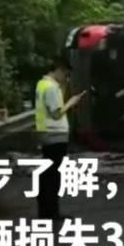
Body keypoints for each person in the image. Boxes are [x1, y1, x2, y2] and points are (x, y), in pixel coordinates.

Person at [34, 57, 85, 221]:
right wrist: (71, 102)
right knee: (53, 176)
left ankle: (45, 211)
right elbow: (56, 113)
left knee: (47, 174)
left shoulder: (41, 84)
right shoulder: (51, 88)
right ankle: (51, 212)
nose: (66, 78)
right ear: (58, 69)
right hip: (55, 135)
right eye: (66, 74)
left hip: (46, 134)